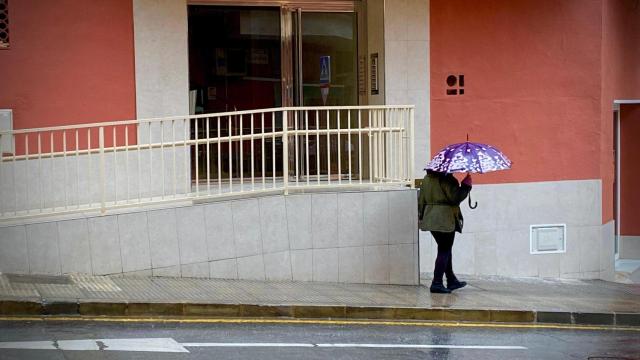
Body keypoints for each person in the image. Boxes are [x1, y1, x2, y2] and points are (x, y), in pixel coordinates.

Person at [418, 169, 472, 294]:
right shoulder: (447, 179)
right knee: (444, 249)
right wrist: (466, 186)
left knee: (445, 248)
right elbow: (455, 198)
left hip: (430, 218)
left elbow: (421, 200)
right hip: (445, 219)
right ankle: (437, 282)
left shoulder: (427, 179)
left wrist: (421, 217)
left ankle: (451, 279)